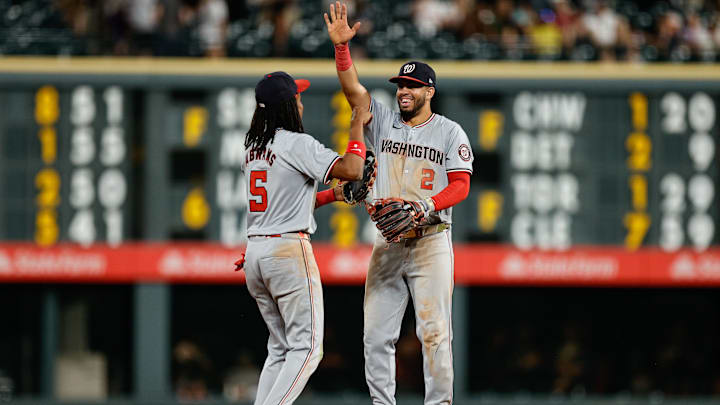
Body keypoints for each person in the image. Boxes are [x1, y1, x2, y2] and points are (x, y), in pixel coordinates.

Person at [324, 2, 474, 404]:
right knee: (375, 335)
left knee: (435, 333)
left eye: (411, 86)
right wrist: (342, 50)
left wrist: (426, 205)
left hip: (430, 240)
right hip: (389, 242)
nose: (403, 91)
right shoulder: (385, 121)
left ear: (429, 91)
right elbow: (353, 92)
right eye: (400, 86)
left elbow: (460, 186)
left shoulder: (449, 131)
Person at [238, 71, 371, 405]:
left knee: (280, 348)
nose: (300, 100)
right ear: (287, 105)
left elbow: (288, 198)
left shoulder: (253, 146)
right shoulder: (296, 143)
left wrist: (332, 195)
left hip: (256, 250)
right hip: (286, 250)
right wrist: (356, 125)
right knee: (308, 349)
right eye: (296, 96)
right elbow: (354, 168)